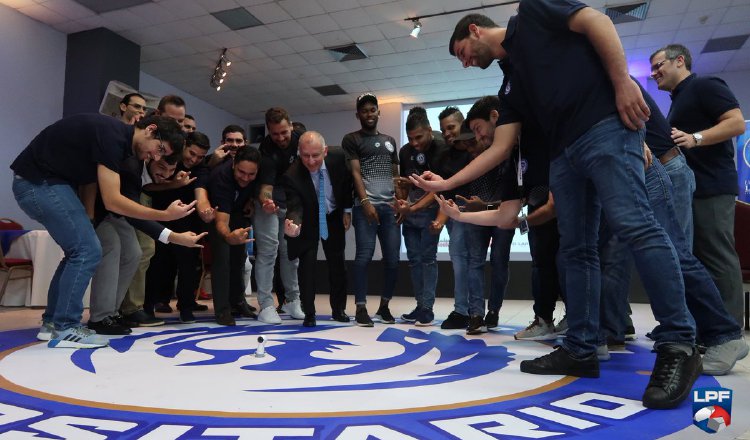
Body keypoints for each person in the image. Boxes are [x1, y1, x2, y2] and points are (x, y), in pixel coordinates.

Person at [412, 4, 698, 409]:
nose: (464, 63)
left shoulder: (532, 14)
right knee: (575, 250)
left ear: (475, 30)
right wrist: (448, 183)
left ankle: (679, 343)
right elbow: (501, 147)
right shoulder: (511, 84)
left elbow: (596, 20)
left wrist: (621, 83)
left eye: (461, 51)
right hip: (564, 155)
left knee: (636, 225)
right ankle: (581, 348)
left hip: (603, 126)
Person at [11, 114, 194, 348]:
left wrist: (87, 218)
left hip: (43, 182)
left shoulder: (116, 140)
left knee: (79, 250)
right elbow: (113, 201)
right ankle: (66, 327)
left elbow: (89, 180)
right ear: (150, 129)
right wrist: (165, 215)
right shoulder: (113, 136)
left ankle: (53, 324)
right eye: (159, 148)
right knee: (87, 250)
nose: (156, 156)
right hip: (38, 183)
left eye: (162, 155)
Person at [650, 43, 747, 327]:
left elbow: (737, 123)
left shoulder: (705, 85)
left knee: (717, 257)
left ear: (680, 61)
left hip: (712, 187)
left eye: (659, 66)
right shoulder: (678, 99)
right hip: (690, 190)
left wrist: (696, 138)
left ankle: (728, 329)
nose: (654, 73)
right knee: (697, 259)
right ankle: (704, 325)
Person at [282, 131, 353, 327]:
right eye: (305, 155)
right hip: (308, 220)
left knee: (338, 265)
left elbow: (346, 184)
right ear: (299, 153)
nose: (311, 161)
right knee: (307, 268)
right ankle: (309, 314)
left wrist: (347, 210)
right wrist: (293, 223)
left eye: (316, 155)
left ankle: (338, 310)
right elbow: (294, 205)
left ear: (326, 151)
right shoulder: (292, 175)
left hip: (332, 216)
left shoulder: (339, 157)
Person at [342, 93, 400, 327]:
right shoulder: (352, 139)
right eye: (364, 110)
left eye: (372, 109)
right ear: (358, 115)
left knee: (393, 260)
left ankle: (384, 307)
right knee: (363, 257)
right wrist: (365, 202)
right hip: (363, 207)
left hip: (389, 207)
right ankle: (361, 308)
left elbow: (396, 175)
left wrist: (401, 202)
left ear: (379, 112)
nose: (369, 114)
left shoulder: (390, 140)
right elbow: (355, 173)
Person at [396, 109, 447, 327]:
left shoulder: (441, 148)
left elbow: (438, 189)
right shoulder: (405, 151)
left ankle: (427, 308)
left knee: (428, 260)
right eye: (410, 139)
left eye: (419, 137)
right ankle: (419, 305)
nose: (415, 143)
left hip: (428, 213)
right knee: (415, 262)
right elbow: (404, 183)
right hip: (410, 215)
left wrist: (415, 208)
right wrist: (402, 205)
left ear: (429, 130)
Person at [253, 108, 304, 324]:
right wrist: (266, 201)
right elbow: (266, 185)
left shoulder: (302, 141)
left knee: (290, 253)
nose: (281, 138)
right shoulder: (266, 149)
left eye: (284, 132)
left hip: (292, 202)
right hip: (270, 202)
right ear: (269, 132)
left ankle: (293, 299)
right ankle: (265, 305)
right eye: (275, 134)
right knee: (268, 251)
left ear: (291, 126)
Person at [206, 147, 261, 325]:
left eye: (251, 174)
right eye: (241, 172)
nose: (245, 178)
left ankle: (238, 302)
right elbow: (221, 221)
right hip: (216, 214)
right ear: (233, 165)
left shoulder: (257, 174)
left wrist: (252, 201)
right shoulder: (221, 176)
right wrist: (229, 236)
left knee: (239, 258)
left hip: (238, 213)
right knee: (222, 257)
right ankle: (222, 310)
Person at [436, 107, 472, 330]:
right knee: (460, 259)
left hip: (474, 209)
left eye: (451, 127)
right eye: (443, 130)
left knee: (464, 259)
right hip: (453, 211)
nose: (447, 133)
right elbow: (443, 192)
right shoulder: (444, 155)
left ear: (462, 124)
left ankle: (466, 311)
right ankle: (465, 310)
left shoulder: (474, 151)